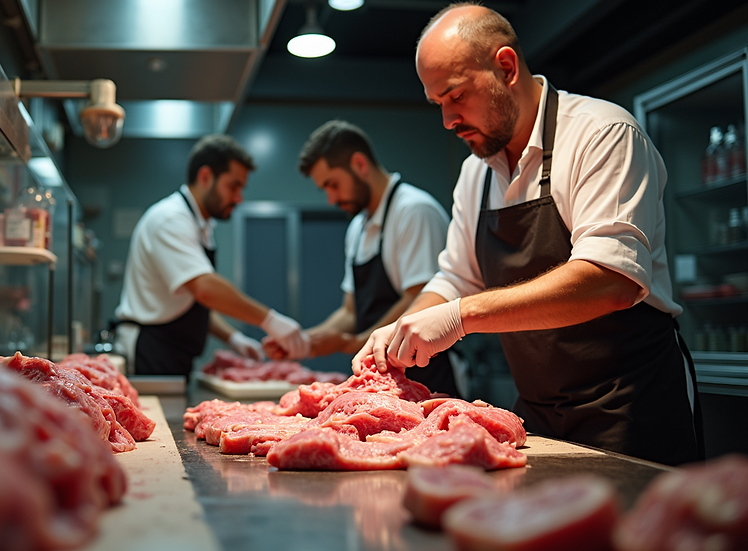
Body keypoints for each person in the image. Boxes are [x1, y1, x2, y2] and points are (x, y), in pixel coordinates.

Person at [354, 3, 701, 466]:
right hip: (536, 416)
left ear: (506, 67)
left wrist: (461, 317)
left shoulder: (602, 133)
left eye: (456, 96)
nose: (447, 120)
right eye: (438, 104)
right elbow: (455, 278)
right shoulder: (475, 175)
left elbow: (610, 279)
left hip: (628, 411)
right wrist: (398, 331)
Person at [264, 120, 460, 396]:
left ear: (359, 164)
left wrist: (353, 341)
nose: (331, 199)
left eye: (333, 184)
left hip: (426, 378)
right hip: (380, 378)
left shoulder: (414, 211)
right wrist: (305, 342)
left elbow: (419, 299)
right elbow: (349, 310)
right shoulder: (358, 227)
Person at [114, 134, 310, 378]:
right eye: (233, 186)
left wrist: (233, 337)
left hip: (171, 351)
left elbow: (193, 302)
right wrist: (270, 320)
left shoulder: (201, 226)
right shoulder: (171, 220)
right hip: (150, 348)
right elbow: (205, 289)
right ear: (205, 177)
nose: (239, 198)